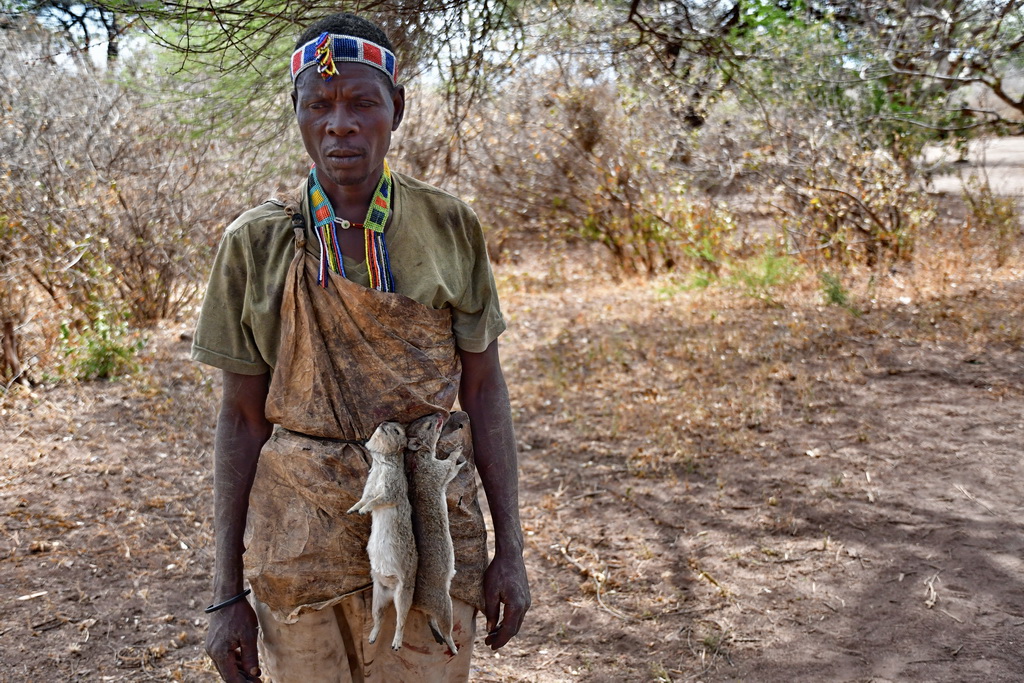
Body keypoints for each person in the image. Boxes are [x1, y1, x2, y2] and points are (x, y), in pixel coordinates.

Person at [190, 12, 530, 682]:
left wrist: (511, 550)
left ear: (395, 108)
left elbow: (485, 388)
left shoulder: (448, 225)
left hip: (431, 532)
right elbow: (240, 419)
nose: (340, 123)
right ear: (296, 113)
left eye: (361, 102)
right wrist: (225, 593)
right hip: (300, 539)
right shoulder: (255, 245)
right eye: (318, 104)